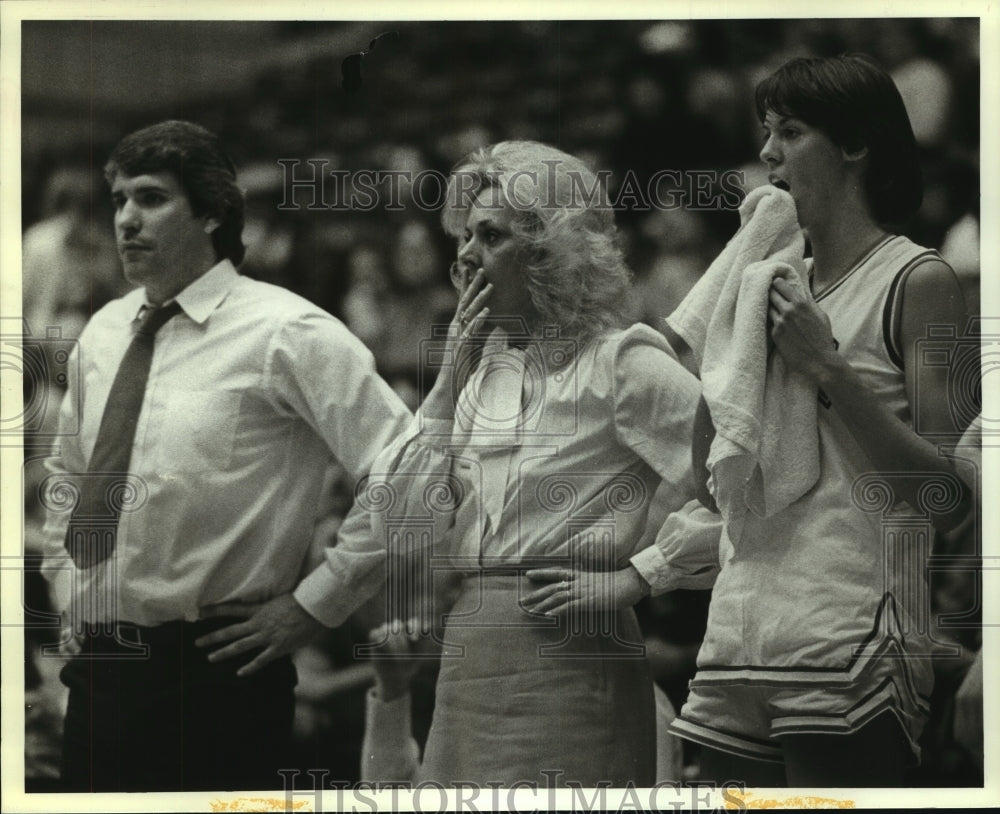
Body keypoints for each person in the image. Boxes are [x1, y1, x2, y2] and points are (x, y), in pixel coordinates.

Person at [536, 54, 973, 787]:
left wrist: (825, 366)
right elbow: (721, 486)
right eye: (767, 131)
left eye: (790, 132)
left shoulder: (918, 280)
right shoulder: (764, 285)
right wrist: (728, 327)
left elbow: (948, 501)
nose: (767, 153)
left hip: (852, 631)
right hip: (738, 626)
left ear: (855, 145)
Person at [287, 140, 719, 787]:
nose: (463, 254)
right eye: (463, 235)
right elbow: (399, 522)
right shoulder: (480, 372)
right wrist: (447, 384)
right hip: (471, 654)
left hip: (575, 657)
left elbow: (747, 487)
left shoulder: (624, 360)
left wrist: (641, 576)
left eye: (488, 234)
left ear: (552, 250)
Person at [38, 120, 412, 792]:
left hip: (220, 670)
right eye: (119, 198)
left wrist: (315, 603)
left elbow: (409, 468)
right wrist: (66, 580)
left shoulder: (288, 331)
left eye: (150, 199)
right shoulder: (102, 332)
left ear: (211, 212)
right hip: (101, 668)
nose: (126, 218)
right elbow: (69, 472)